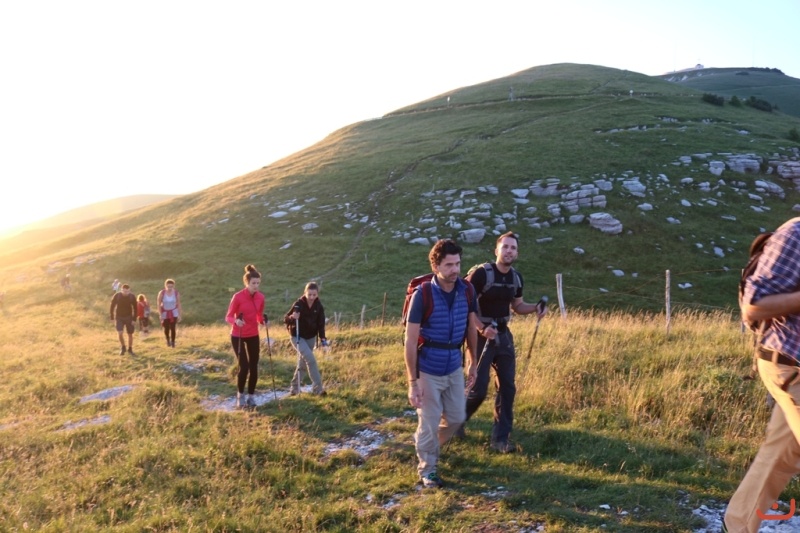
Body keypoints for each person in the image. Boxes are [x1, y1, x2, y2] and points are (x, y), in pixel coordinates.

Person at [725, 217, 800, 532]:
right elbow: (753, 306)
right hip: (790, 363)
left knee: (780, 455)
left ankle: (737, 525)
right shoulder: (796, 235)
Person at [461, 231, 547, 453]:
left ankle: (500, 439)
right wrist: (482, 328)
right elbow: (466, 307)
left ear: (517, 253)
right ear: (496, 250)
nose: (509, 251)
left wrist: (535, 308)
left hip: (503, 335)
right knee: (478, 388)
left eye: (513, 248)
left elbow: (517, 306)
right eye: (505, 247)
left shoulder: (516, 278)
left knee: (508, 387)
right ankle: (455, 422)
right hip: (480, 335)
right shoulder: (481, 274)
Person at [404, 238, 478, 488]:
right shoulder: (422, 295)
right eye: (449, 265)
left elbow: (470, 328)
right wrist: (413, 382)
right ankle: (428, 469)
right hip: (428, 369)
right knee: (430, 420)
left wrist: (473, 362)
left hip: (454, 366)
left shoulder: (467, 290)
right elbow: (410, 340)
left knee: (456, 418)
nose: (455, 270)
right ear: (436, 267)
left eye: (457, 264)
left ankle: (425, 443)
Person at [225, 264, 266, 408]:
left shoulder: (261, 297)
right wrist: (236, 321)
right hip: (238, 335)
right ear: (246, 283)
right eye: (253, 283)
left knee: (254, 366)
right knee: (244, 366)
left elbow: (259, 316)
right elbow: (228, 316)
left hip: (253, 334)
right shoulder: (238, 297)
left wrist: (263, 321)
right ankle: (240, 395)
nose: (256, 286)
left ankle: (251, 397)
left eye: (258, 283)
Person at [284, 282, 328, 396]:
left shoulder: (319, 306)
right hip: (297, 337)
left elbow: (321, 325)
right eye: (309, 294)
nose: (312, 297)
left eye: (314, 295)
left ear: (317, 294)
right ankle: (318, 389)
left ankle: (294, 388)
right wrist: (292, 317)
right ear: (305, 293)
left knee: (303, 363)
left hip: (311, 338)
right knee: (311, 360)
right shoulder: (298, 304)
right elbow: (286, 319)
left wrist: (323, 340)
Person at [109, 283, 137, 355]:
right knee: (120, 332)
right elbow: (112, 306)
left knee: (130, 334)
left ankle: (130, 349)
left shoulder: (132, 297)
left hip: (129, 317)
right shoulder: (117, 296)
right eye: (124, 291)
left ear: (129, 290)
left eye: (127, 291)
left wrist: (134, 319)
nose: (126, 293)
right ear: (121, 290)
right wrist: (112, 317)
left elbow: (135, 308)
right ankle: (123, 347)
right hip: (119, 317)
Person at [157, 279, 182, 347]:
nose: (170, 288)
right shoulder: (162, 293)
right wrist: (160, 314)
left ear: (173, 286)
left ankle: (173, 342)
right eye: (168, 286)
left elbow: (179, 304)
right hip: (165, 312)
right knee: (166, 328)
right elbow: (158, 304)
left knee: (173, 327)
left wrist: (179, 314)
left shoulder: (176, 293)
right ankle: (168, 340)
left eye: (171, 286)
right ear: (166, 286)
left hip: (173, 312)